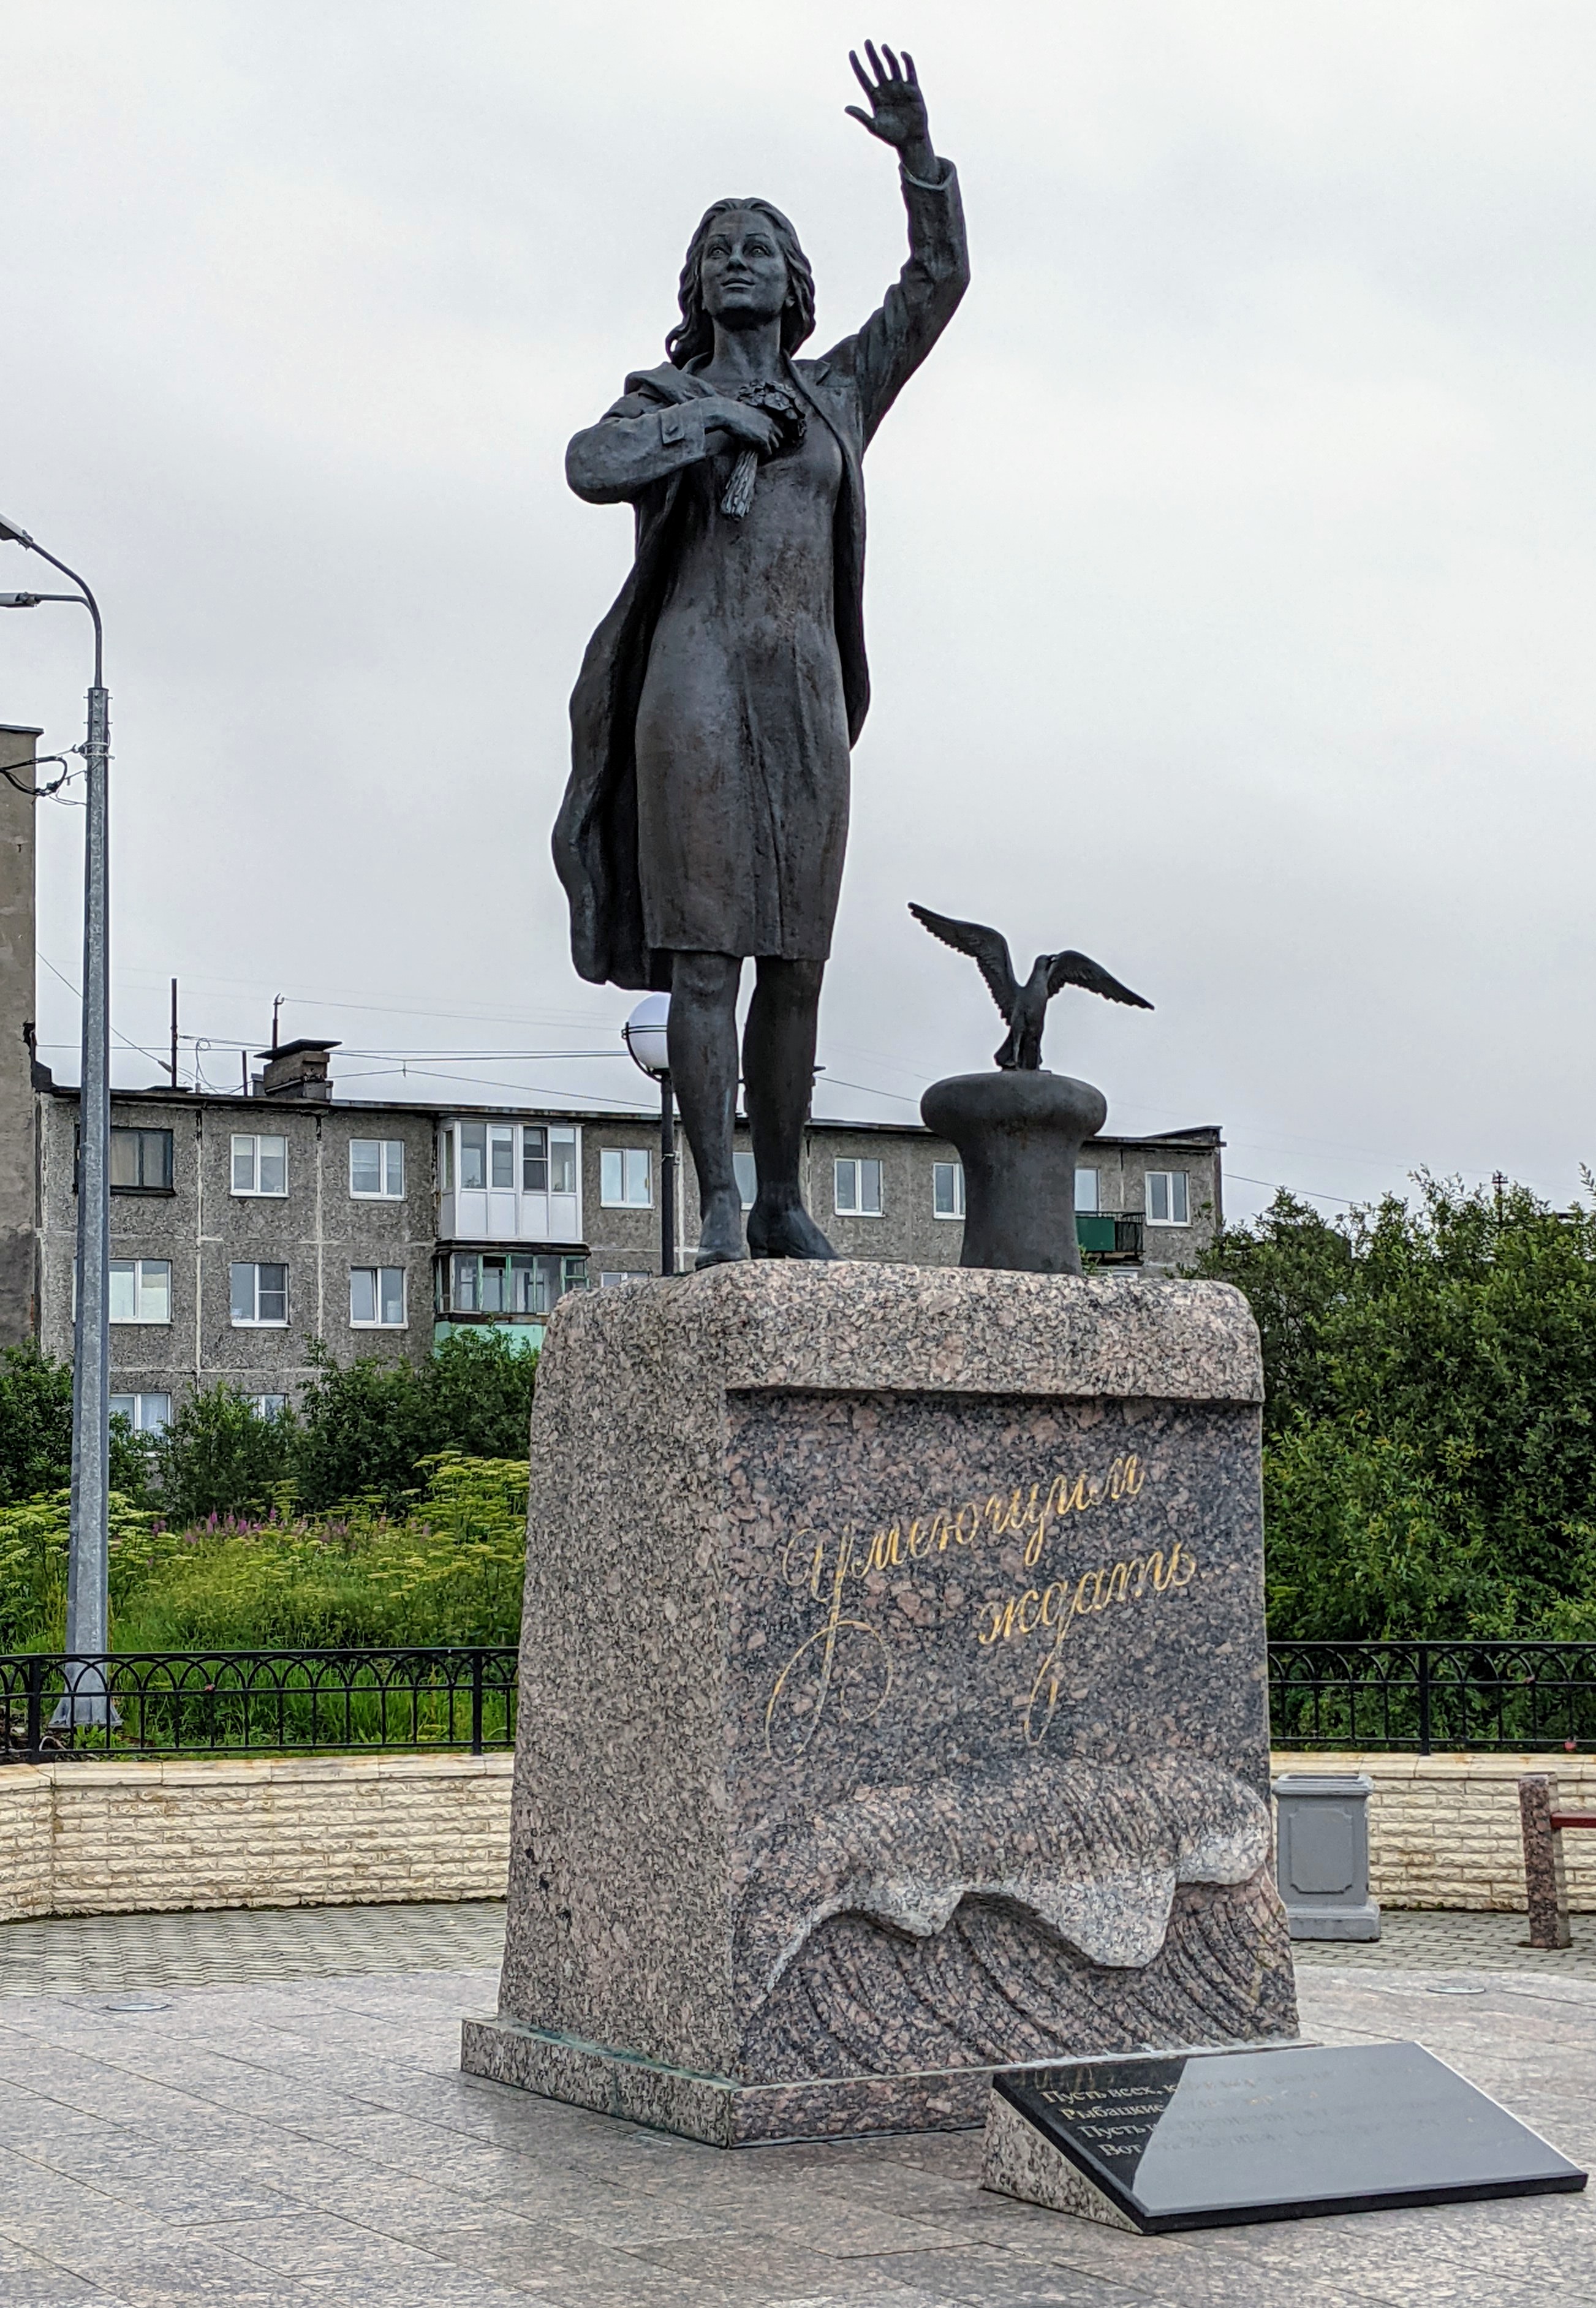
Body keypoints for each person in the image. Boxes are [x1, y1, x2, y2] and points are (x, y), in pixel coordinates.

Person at [555, 44, 968, 1265]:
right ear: (695, 283)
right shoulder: (656, 399)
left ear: (794, 284)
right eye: (718, 249)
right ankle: (719, 1201)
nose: (737, 260)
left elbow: (936, 284)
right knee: (704, 957)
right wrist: (711, 421)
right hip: (690, 685)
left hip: (803, 689)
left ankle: (784, 1194)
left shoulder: (839, 393)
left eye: (760, 248)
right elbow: (589, 464)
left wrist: (917, 159)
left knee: (796, 957)